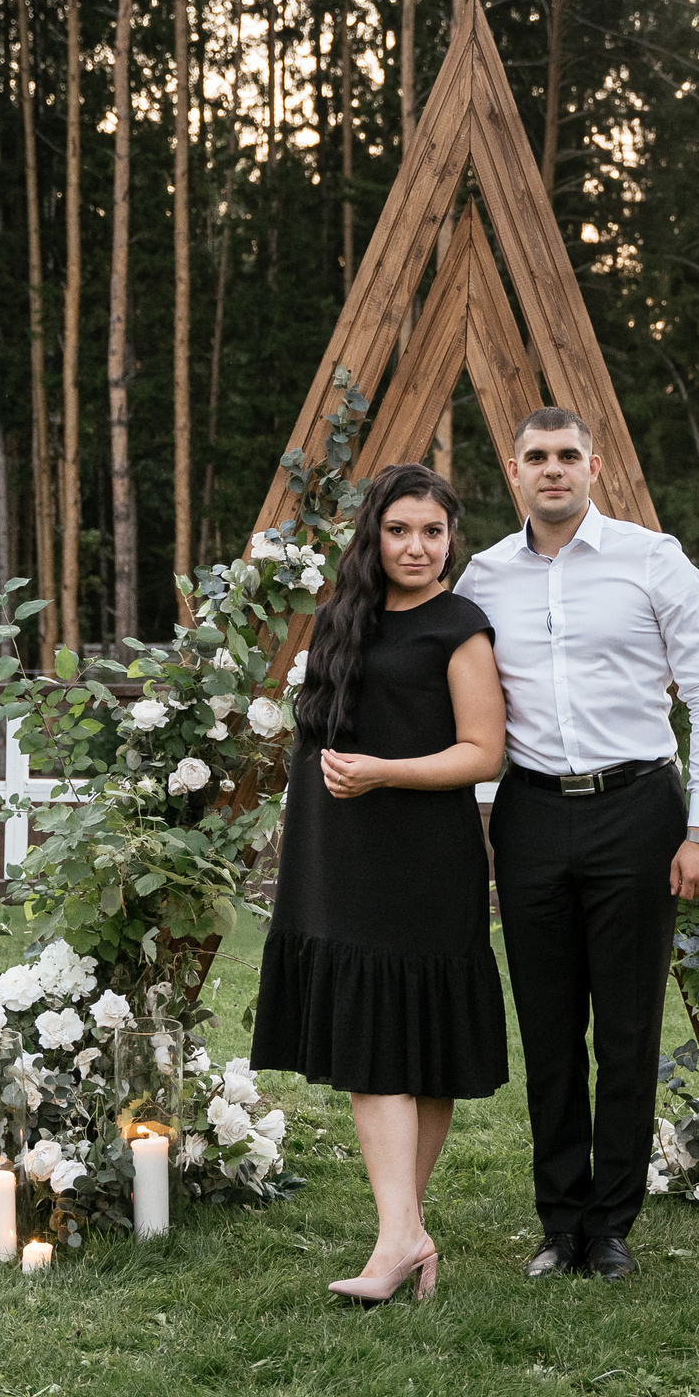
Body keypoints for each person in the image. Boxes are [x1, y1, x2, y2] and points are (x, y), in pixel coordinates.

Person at [453, 406, 699, 1282]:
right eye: (537, 456)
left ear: (594, 466)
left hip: (638, 809)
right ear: (514, 471)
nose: (553, 469)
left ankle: (611, 1224)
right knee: (547, 1030)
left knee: (625, 1029)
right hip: (532, 812)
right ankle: (560, 1221)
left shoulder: (654, 561)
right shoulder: (482, 577)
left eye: (567, 455)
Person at [250, 461, 509, 1306]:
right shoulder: (338, 619)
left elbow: (484, 751)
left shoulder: (461, 626)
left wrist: (385, 771)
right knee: (376, 1039)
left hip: (424, 855)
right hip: (340, 850)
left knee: (416, 1046)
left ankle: (400, 1234)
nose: (417, 546)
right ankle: (403, 1232)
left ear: (451, 538)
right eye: (400, 530)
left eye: (433, 531)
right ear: (375, 535)